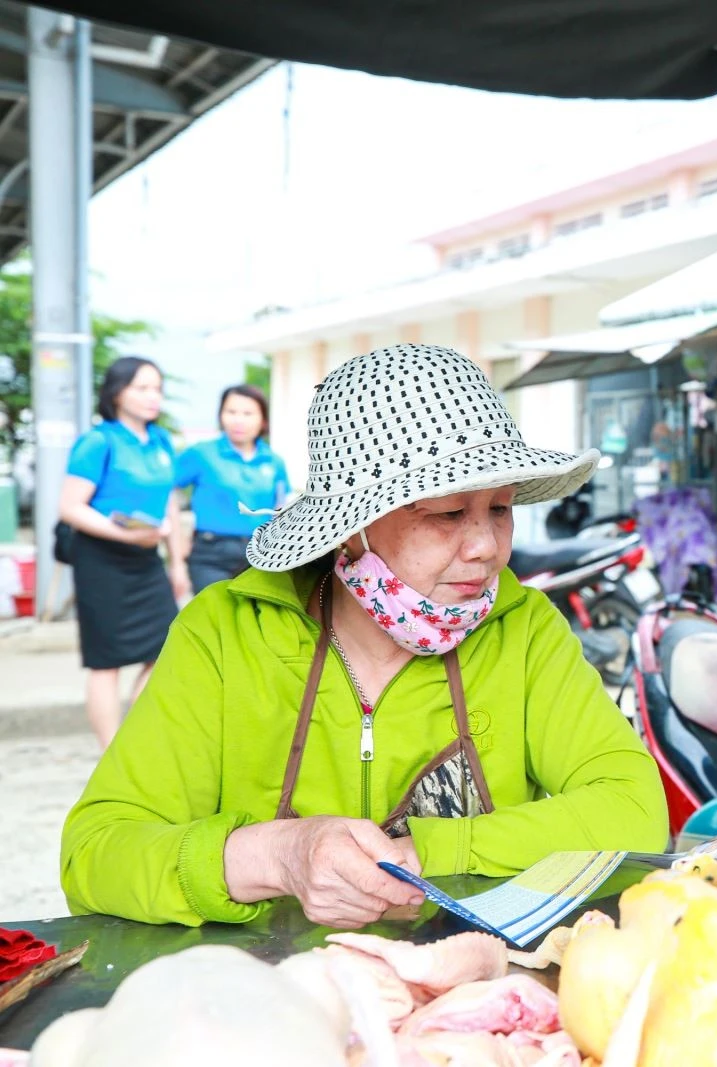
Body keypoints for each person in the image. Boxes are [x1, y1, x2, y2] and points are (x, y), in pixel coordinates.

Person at [61, 344, 669, 930]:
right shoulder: (227, 631)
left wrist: (422, 853)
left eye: (501, 510)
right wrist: (276, 856)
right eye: (449, 514)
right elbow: (97, 853)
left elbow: (634, 809)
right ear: (350, 530)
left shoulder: (525, 628)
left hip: (460, 990)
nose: (486, 548)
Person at [57, 357, 188, 748]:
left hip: (147, 560)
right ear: (117, 392)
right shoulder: (99, 441)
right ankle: (109, 753)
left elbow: (170, 506)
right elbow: (71, 507)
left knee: (164, 650)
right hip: (101, 560)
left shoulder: (162, 441)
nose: (153, 397)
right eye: (142, 388)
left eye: (158, 388)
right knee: (106, 661)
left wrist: (177, 560)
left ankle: (136, 742)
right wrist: (127, 536)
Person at [175, 384, 293, 594]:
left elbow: (281, 507)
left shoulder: (274, 462)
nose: (239, 420)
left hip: (259, 553)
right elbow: (166, 489)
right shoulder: (201, 453)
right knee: (213, 619)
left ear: (262, 419)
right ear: (221, 415)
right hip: (211, 554)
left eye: (248, 413)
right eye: (231, 412)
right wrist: (178, 537)